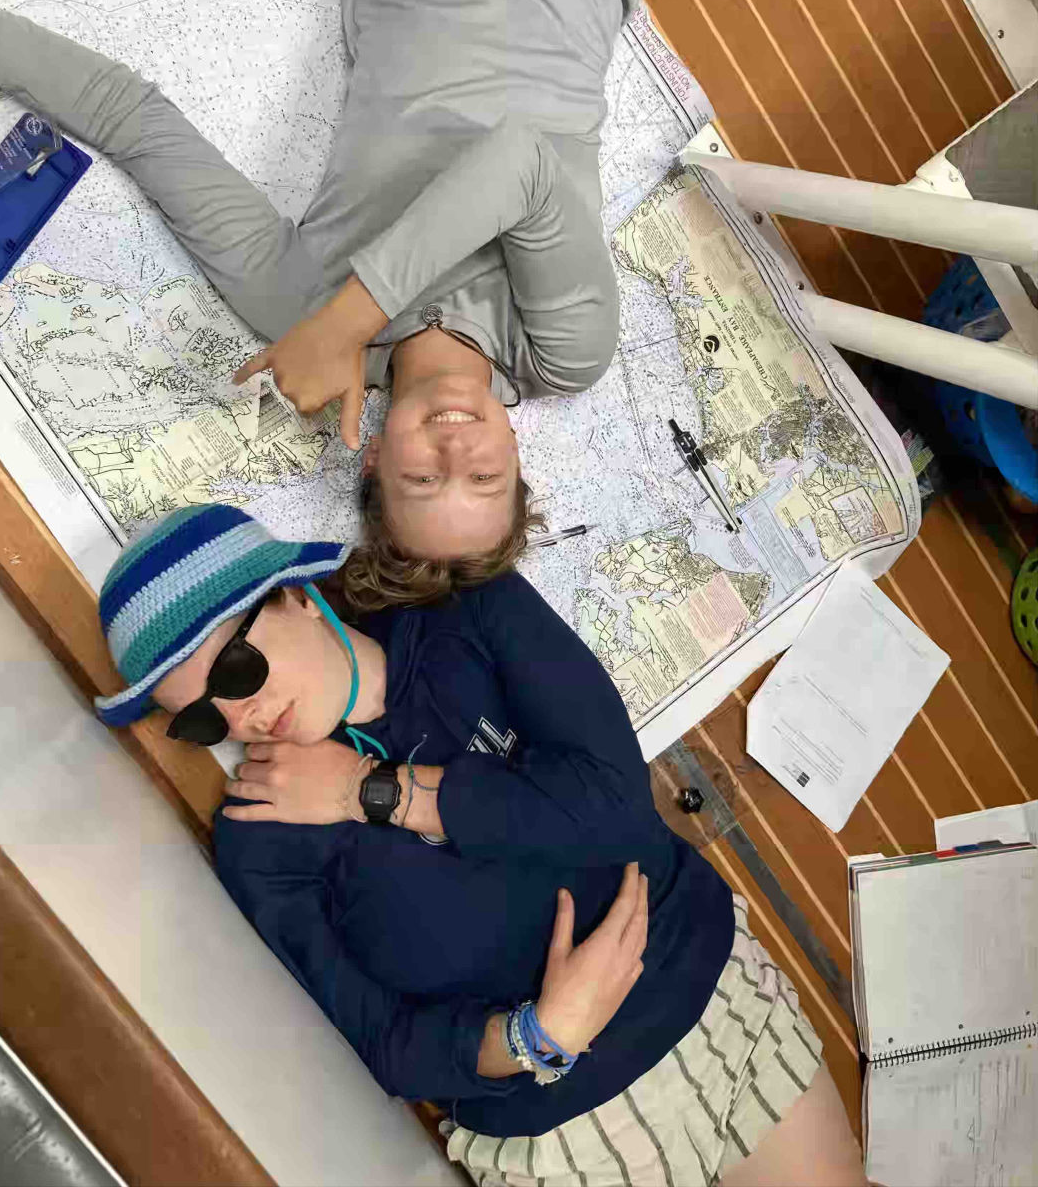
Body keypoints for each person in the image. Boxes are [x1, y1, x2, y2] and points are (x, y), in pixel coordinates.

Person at [0, 0, 729, 604]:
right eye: (484, 479)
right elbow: (525, 163)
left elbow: (134, 121)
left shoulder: (296, 309)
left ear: (373, 460)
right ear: (516, 460)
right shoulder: (563, 354)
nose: (456, 452)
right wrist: (347, 324)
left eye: (423, 481)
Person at [95, 502, 868, 1187]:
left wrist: (372, 790)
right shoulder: (261, 843)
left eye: (236, 670)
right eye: (201, 718)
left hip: (701, 988)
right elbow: (384, 1043)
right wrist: (535, 1036)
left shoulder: (461, 613)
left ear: (295, 595)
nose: (241, 719)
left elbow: (616, 807)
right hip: (557, 1133)